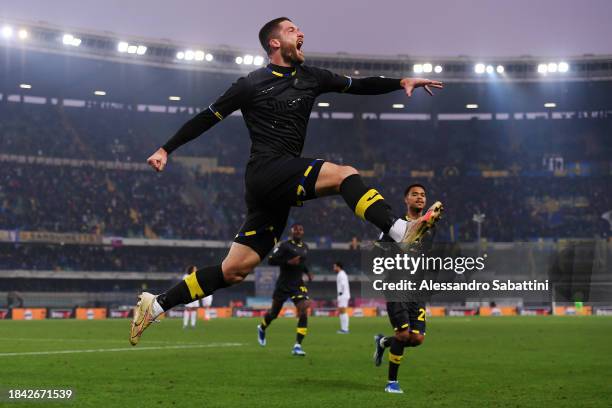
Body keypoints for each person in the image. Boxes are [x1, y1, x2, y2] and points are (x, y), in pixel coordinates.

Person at [130, 17, 444, 346]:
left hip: (273, 192)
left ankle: (158, 303)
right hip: (266, 172)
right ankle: (399, 229)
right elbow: (208, 117)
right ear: (274, 43)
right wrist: (166, 149)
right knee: (344, 174)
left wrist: (401, 81)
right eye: (293, 30)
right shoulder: (251, 83)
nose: (302, 33)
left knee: (234, 270)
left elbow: (360, 84)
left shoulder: (312, 77)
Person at [373, 183, 442, 393]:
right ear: (406, 200)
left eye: (423, 195)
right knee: (403, 335)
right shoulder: (395, 226)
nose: (420, 198)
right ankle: (391, 383)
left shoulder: (430, 228)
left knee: (416, 338)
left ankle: (383, 342)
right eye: (415, 195)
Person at [257, 223, 312, 355]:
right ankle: (262, 327)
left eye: (301, 229)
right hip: (283, 284)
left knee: (303, 309)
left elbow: (302, 263)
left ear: (303, 232)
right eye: (296, 229)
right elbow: (271, 260)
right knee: (273, 314)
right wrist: (287, 262)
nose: (298, 231)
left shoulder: (305, 247)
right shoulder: (284, 245)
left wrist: (307, 272)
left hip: (298, 284)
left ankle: (297, 345)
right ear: (291, 232)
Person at [334, 262, 351, 334]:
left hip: (343, 295)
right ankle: (343, 329)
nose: (334, 268)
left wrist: (340, 293)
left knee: (343, 311)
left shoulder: (341, 274)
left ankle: (345, 329)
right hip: (343, 295)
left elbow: (343, 285)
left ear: (338, 267)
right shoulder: (341, 274)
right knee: (341, 312)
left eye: (335, 267)